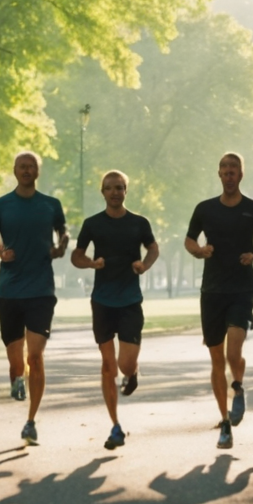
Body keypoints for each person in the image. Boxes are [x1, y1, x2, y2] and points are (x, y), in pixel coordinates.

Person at [185, 153, 253, 449]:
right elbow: (189, 240)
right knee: (215, 360)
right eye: (224, 168)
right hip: (211, 291)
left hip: (241, 289)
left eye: (233, 169)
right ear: (219, 174)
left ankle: (238, 388)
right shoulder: (205, 209)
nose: (228, 173)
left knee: (233, 353)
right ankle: (225, 422)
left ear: (241, 174)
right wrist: (199, 250)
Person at [0, 151, 69, 446]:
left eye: (32, 166)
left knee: (36, 355)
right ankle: (17, 378)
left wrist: (60, 248)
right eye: (22, 166)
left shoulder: (51, 205)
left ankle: (31, 421)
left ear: (38, 171)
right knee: (16, 360)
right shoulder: (1, 205)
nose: (27, 170)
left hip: (41, 290)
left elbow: (63, 234)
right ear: (15, 170)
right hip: (9, 291)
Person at [71, 170, 159, 450]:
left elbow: (153, 248)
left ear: (126, 190)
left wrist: (144, 265)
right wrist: (90, 263)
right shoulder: (93, 224)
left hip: (130, 301)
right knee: (109, 367)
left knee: (124, 365)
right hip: (103, 302)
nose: (115, 192)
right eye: (109, 188)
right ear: (102, 192)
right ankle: (115, 427)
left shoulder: (139, 223)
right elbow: (76, 255)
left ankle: (133, 373)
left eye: (119, 188)